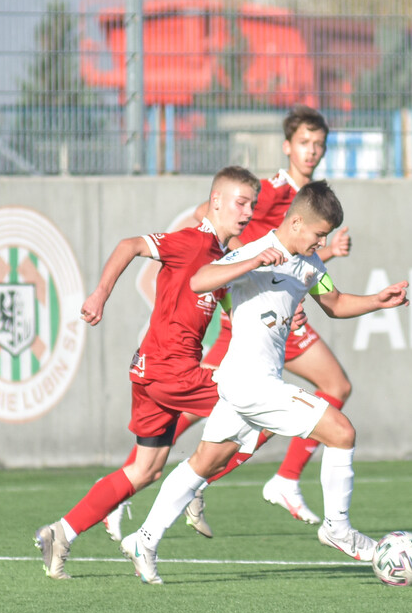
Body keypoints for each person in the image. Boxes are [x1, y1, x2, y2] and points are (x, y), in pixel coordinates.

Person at [119, 180, 409, 584]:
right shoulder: (254, 252)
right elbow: (200, 280)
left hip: (251, 385)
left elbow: (336, 303)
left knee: (205, 462)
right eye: (318, 234)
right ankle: (337, 529)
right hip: (250, 384)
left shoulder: (311, 264)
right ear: (295, 222)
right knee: (341, 432)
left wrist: (378, 300)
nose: (321, 242)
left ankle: (143, 539)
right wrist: (252, 264)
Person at [104, 105, 354, 539]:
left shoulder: (311, 197)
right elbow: (213, 212)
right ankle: (140, 487)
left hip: (280, 308)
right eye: (304, 143)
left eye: (319, 145)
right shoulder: (278, 189)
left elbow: (302, 260)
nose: (312, 152)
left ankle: (281, 480)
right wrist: (245, 260)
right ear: (287, 147)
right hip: (252, 304)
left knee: (332, 389)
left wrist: (322, 256)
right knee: (216, 409)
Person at [33, 166, 260, 580]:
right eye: (240, 203)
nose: (247, 213)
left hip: (154, 371)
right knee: (265, 413)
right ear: (215, 202)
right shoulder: (193, 241)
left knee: (146, 470)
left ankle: (59, 532)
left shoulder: (222, 259)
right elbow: (129, 244)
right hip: (170, 371)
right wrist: (100, 293)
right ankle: (195, 489)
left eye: (252, 205)